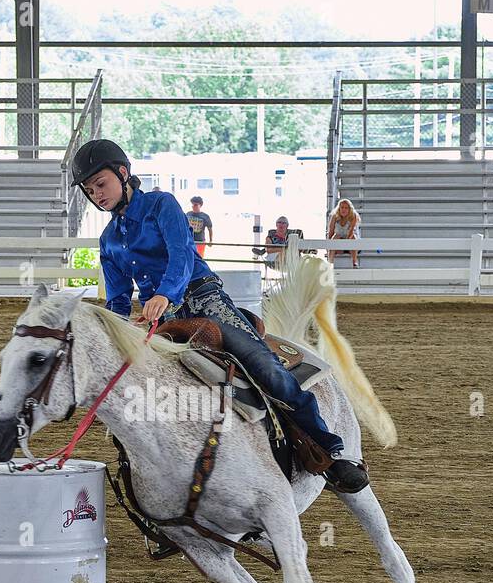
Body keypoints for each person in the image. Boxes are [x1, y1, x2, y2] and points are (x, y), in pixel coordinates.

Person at [70, 138, 369, 492]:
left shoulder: (161, 205)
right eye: (89, 190)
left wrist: (165, 294)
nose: (97, 195)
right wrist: (115, 332)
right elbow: (118, 301)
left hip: (203, 298)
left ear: (123, 173)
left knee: (263, 365)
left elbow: (181, 255)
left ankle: (330, 449)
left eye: (100, 184)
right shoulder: (107, 240)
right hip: (159, 318)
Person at [327, 198, 361, 269]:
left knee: (353, 237)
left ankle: (355, 262)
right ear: (339, 209)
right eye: (342, 207)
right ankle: (330, 262)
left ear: (349, 209)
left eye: (346, 208)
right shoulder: (334, 216)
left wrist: (344, 244)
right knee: (336, 236)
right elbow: (330, 232)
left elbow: (351, 232)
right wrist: (329, 246)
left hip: (350, 242)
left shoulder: (353, 216)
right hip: (338, 243)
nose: (344, 210)